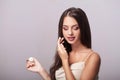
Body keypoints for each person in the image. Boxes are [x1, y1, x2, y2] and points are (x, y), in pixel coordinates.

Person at [26, 7, 101, 80]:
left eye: (75, 28)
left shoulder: (93, 57)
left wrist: (65, 60)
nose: (70, 33)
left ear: (83, 29)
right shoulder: (64, 52)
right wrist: (40, 70)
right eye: (65, 28)